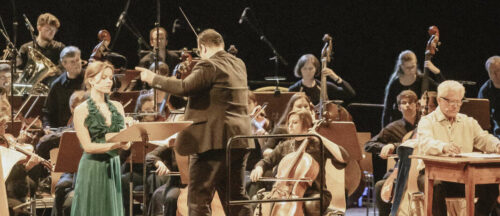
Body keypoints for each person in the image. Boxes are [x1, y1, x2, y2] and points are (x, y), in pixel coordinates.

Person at [137, 29, 254, 215]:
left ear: (203, 48)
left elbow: (184, 87)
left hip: (212, 142)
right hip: (239, 140)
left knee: (198, 201)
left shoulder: (209, 65)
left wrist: (153, 78)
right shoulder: (238, 63)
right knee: (236, 199)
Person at [417, 80, 500, 216]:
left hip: (460, 176)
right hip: (431, 175)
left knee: (491, 187)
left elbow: (483, 138)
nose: (455, 106)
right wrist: (443, 147)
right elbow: (425, 142)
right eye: (450, 102)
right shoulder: (427, 121)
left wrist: (497, 145)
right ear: (439, 100)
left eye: (459, 101)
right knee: (436, 187)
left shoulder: (467, 121)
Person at [250, 109, 348, 215]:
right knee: (257, 200)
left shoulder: (317, 145)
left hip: (314, 193)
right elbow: (266, 161)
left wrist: (320, 137)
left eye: (295, 122)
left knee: (310, 204)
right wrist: (259, 168)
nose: (290, 126)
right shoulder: (285, 146)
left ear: (306, 125)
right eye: (289, 123)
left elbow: (343, 157)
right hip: (284, 192)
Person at [70, 61, 130, 216]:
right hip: (93, 167)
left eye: (110, 77)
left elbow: (126, 144)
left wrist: (128, 137)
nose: (109, 81)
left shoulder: (117, 106)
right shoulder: (81, 110)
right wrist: (115, 144)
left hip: (113, 165)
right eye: (103, 77)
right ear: (91, 80)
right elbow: (88, 147)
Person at [364, 90, 418, 215]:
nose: (408, 105)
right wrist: (386, 147)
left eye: (411, 102)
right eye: (404, 103)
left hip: (420, 169)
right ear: (399, 107)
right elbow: (368, 145)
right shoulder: (393, 127)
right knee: (379, 186)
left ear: (417, 105)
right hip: (400, 169)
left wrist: (395, 146)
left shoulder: (425, 124)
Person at [382, 50, 444, 127]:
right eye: (408, 68)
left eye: (413, 66)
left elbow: (444, 89)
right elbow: (387, 110)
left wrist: (437, 72)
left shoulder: (423, 79)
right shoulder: (395, 84)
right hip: (400, 125)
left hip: (421, 123)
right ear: (401, 67)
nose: (411, 70)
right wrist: (384, 131)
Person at [42, 46, 84, 129]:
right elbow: (48, 112)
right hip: (63, 130)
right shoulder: (57, 85)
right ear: (64, 64)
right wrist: (47, 126)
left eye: (78, 60)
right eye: (72, 62)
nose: (77, 64)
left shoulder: (90, 80)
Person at [288, 54, 355, 105]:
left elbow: (350, 93)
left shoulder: (324, 86)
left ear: (316, 69)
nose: (308, 72)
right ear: (300, 70)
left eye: (311, 68)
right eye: (304, 69)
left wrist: (335, 77)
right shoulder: (294, 89)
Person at [17, 13, 65, 85]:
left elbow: (64, 69)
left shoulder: (59, 47)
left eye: (54, 30)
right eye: (48, 29)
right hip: (29, 86)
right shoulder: (25, 48)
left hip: (51, 85)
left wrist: (49, 72)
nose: (52, 32)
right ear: (39, 28)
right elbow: (17, 69)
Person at [478, 56, 500, 139]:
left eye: (498, 70)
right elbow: (482, 116)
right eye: (492, 72)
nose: (496, 75)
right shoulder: (485, 90)